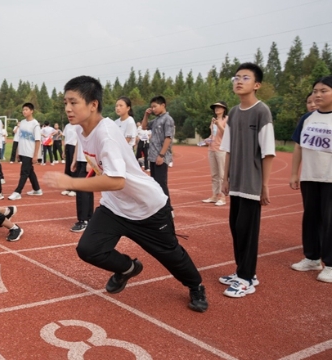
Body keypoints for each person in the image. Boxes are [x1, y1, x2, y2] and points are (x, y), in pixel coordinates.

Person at [43, 75, 207, 313]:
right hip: (115, 207)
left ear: (93, 104)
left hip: (146, 208)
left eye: (73, 102)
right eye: (65, 102)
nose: (67, 108)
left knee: (171, 255)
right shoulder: (81, 129)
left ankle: (196, 286)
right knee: (88, 249)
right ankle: (128, 268)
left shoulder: (106, 133)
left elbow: (117, 181)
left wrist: (71, 182)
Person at [219, 63, 275, 298]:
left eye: (245, 77)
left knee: (247, 230)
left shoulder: (262, 112)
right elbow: (228, 148)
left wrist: (264, 185)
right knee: (236, 228)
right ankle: (243, 271)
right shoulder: (233, 112)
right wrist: (225, 177)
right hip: (237, 183)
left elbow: (268, 152)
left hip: (252, 184)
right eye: (236, 77)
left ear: (257, 84)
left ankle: (247, 279)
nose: (239, 81)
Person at [289, 76, 332, 283]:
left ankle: (331, 265)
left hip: (330, 178)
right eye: (315, 91)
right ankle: (312, 258)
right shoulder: (307, 118)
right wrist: (295, 173)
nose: (317, 95)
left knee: (330, 221)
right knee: (311, 218)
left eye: (323, 90)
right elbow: (298, 146)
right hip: (310, 176)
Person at [141, 96, 175, 212]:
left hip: (160, 157)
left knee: (161, 183)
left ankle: (168, 209)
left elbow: (168, 138)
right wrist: (146, 115)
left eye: (155, 106)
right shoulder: (156, 120)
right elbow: (144, 126)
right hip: (152, 156)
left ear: (163, 105)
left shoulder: (168, 119)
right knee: (155, 184)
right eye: (152, 107)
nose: (153, 109)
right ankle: (159, 208)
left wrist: (161, 155)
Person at [8, 103, 42, 200]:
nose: (24, 111)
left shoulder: (35, 124)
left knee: (24, 172)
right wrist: (18, 151)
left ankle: (17, 191)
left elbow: (37, 140)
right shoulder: (22, 123)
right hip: (23, 151)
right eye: (23, 110)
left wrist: (35, 155)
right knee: (30, 171)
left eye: (26, 109)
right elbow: (19, 137)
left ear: (31, 111)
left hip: (30, 153)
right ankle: (37, 189)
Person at [202, 101, 228, 206]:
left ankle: (222, 197)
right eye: (215, 107)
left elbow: (227, 133)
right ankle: (214, 195)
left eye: (219, 107)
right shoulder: (213, 120)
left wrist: (219, 125)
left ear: (224, 109)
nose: (217, 109)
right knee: (214, 175)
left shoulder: (227, 119)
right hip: (211, 149)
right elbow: (212, 135)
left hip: (221, 149)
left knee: (222, 174)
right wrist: (206, 140)